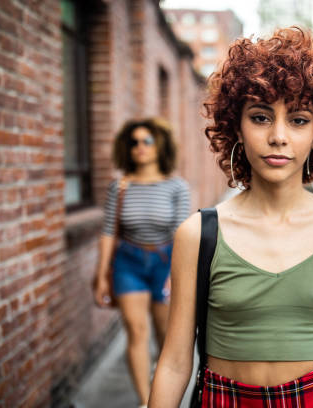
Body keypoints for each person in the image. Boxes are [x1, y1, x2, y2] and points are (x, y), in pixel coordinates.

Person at [149, 27, 313, 408]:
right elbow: (176, 361)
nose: (278, 136)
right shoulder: (198, 233)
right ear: (237, 129)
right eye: (261, 117)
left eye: (298, 120)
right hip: (223, 399)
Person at [93, 117, 191, 408]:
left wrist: (178, 272)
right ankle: (146, 402)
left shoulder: (176, 186)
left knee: (165, 335)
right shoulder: (120, 186)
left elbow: (183, 232)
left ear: (160, 145)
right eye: (134, 142)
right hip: (128, 262)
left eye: (147, 140)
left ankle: (165, 394)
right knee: (136, 332)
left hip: (165, 262)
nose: (140, 147)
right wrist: (100, 276)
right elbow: (109, 232)